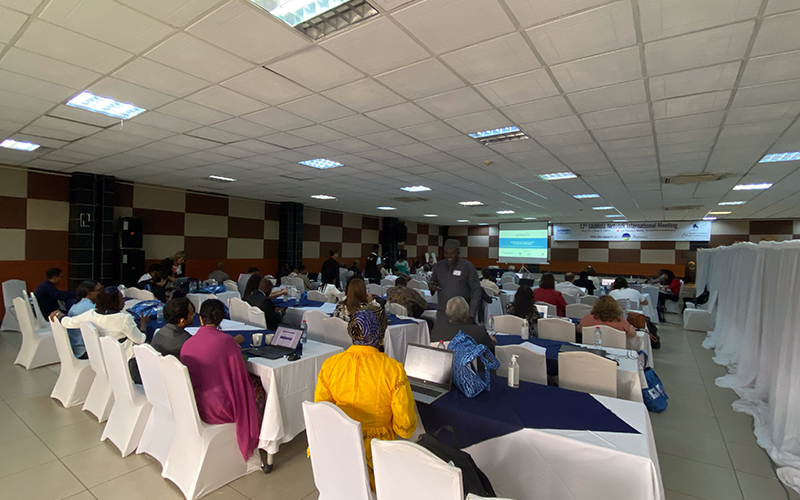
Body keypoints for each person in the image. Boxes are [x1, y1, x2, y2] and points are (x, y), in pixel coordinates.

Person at [314, 310, 416, 489]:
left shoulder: (330, 365)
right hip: (378, 453)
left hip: (340, 449)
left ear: (351, 332)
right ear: (378, 334)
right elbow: (405, 426)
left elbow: (322, 411)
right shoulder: (393, 369)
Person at [180, 299, 262, 465]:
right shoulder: (226, 342)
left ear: (201, 319)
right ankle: (265, 441)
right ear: (220, 320)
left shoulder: (187, 344)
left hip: (193, 404)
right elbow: (239, 379)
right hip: (218, 409)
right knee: (260, 387)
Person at [54, 286, 146, 358]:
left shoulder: (89, 315)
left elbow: (68, 322)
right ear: (114, 302)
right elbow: (140, 340)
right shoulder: (124, 318)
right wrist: (143, 325)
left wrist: (58, 314)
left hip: (100, 355)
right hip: (122, 357)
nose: (124, 302)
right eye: (122, 299)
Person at [128, 298, 195, 385]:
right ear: (181, 320)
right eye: (191, 314)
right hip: (169, 384)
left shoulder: (160, 332)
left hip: (151, 379)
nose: (194, 315)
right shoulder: (185, 341)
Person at [429, 239, 482, 325]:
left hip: (462, 314)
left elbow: (476, 290)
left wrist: (471, 314)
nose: (449, 256)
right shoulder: (438, 266)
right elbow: (432, 282)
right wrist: (432, 286)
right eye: (446, 253)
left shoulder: (467, 266)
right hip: (443, 312)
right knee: (441, 337)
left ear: (458, 252)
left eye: (452, 253)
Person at [430, 296, 496, 352]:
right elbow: (491, 351)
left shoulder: (436, 333)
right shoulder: (479, 332)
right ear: (467, 314)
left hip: (446, 366)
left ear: (446, 312)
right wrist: (493, 341)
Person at [65, 280, 102, 359]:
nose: (102, 293)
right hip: (84, 350)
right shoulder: (89, 308)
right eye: (100, 290)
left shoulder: (78, 304)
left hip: (76, 347)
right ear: (89, 293)